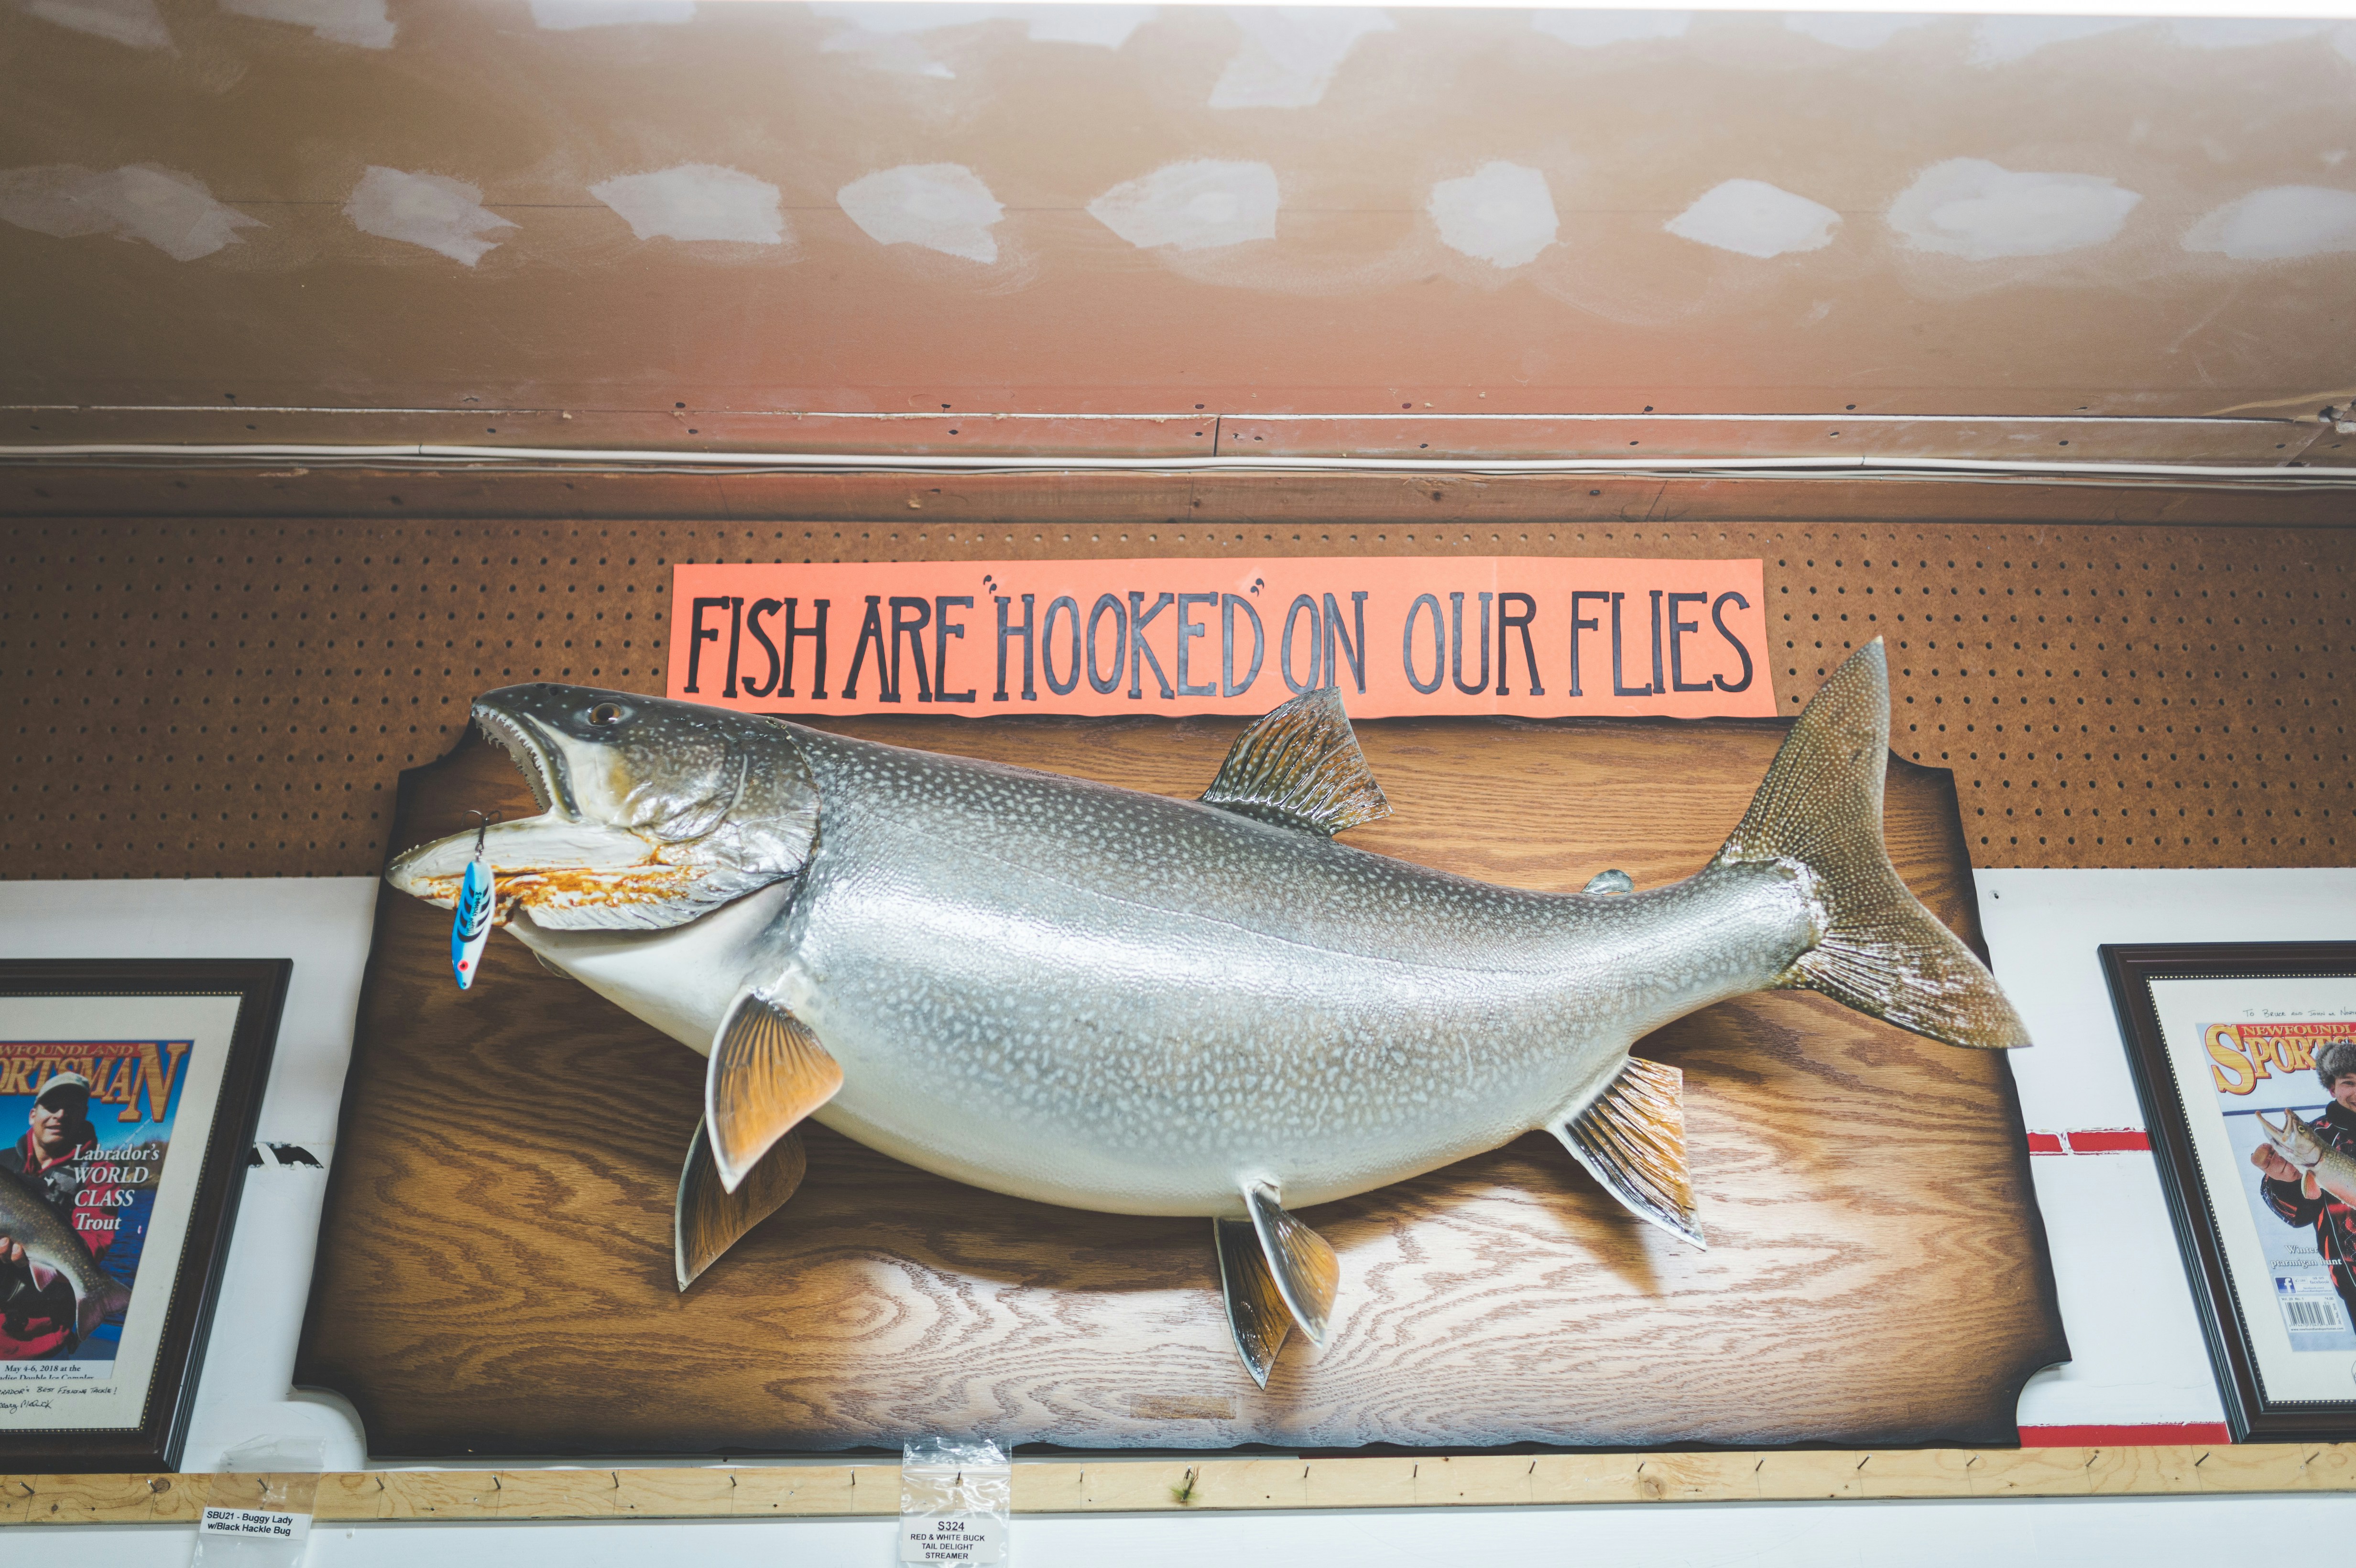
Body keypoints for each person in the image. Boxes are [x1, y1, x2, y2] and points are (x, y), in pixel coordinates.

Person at [0, 1072, 118, 1358]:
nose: (61, 1115)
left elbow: (95, 1243)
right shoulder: (3, 1161)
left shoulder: (99, 1174)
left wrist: (49, 1262)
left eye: (73, 1108)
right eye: (52, 1106)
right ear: (32, 1115)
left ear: (83, 1117)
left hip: (40, 1337)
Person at [2252, 1038, 2356, 1328]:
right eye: (2349, 1082)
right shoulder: (2318, 1134)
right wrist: (2283, 1181)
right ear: (2333, 1088)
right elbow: (2298, 1217)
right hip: (2352, 1276)